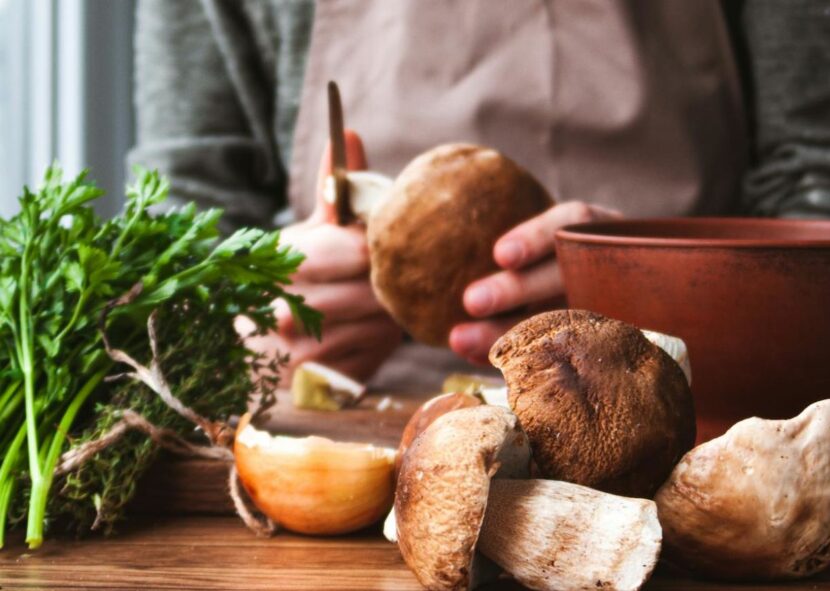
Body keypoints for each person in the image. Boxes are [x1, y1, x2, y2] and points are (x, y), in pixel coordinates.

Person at [129, 0, 830, 390]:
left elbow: (811, 183)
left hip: (688, 414)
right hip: (347, 429)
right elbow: (178, 215)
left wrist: (668, 295)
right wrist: (235, 329)